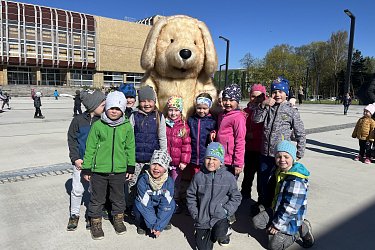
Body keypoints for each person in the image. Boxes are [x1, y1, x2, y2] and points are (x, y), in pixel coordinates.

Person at [81, 91, 135, 240]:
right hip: (99, 170)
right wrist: (87, 167)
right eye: (111, 108)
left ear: (123, 110)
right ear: (106, 108)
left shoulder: (126, 126)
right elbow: (90, 147)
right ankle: (95, 222)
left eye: (118, 109)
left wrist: (130, 166)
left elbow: (130, 147)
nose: (114, 111)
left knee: (118, 197)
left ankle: (118, 219)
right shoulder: (98, 126)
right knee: (97, 198)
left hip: (119, 170)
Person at [253, 76, 306, 208]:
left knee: (279, 182)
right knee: (262, 181)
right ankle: (262, 203)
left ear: (286, 94)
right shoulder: (268, 108)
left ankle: (275, 206)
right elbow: (256, 120)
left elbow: (300, 132)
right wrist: (262, 105)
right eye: (274, 92)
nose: (277, 95)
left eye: (280, 92)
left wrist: (300, 152)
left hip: (281, 155)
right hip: (265, 153)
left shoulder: (291, 111)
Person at [252, 140, 314, 250]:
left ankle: (300, 230)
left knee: (274, 246)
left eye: (286, 156)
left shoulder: (296, 180)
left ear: (293, 158)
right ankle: (278, 230)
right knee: (257, 222)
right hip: (277, 209)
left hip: (291, 217)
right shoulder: (279, 171)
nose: (282, 160)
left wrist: (277, 225)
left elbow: (290, 208)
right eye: (278, 156)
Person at [186, 142, 242, 249]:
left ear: (221, 162)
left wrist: (226, 211)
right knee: (203, 248)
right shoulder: (198, 177)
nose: (211, 162)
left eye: (215, 159)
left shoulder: (228, 177)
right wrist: (195, 214)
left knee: (219, 233)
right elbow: (191, 196)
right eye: (208, 158)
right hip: (202, 218)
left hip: (220, 216)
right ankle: (203, 232)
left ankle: (226, 230)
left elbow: (236, 197)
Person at [66, 90, 106, 231]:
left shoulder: (103, 121)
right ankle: (74, 214)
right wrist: (75, 158)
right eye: (103, 105)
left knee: (94, 191)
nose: (105, 107)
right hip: (80, 162)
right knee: (77, 189)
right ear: (93, 106)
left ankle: (92, 214)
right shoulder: (78, 120)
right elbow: (72, 140)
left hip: (97, 164)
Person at [127, 85, 167, 216]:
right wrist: (129, 159)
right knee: (133, 184)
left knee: (152, 184)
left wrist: (163, 158)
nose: (146, 104)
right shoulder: (134, 116)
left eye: (149, 101)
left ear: (154, 101)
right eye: (143, 101)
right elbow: (129, 138)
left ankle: (150, 209)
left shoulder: (159, 116)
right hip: (136, 159)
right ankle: (131, 207)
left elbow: (162, 138)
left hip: (152, 160)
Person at [134, 149, 175, 236]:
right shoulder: (143, 180)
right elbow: (145, 204)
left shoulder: (169, 182)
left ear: (165, 168)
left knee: (172, 204)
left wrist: (159, 226)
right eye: (154, 164)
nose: (156, 168)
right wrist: (153, 225)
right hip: (147, 205)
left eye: (160, 165)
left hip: (159, 206)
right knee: (138, 204)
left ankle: (162, 221)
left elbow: (166, 204)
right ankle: (142, 224)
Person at [165, 95, 191, 214]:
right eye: (171, 110)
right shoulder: (164, 124)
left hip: (177, 163)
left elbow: (186, 146)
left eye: (176, 110)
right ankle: (165, 201)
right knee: (164, 182)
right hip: (165, 162)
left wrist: (184, 161)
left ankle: (175, 201)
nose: (173, 113)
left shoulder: (184, 126)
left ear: (180, 111)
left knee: (175, 183)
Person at [214, 84, 246, 177]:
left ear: (238, 101)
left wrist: (238, 163)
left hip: (231, 161)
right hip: (220, 157)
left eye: (231, 100)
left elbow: (240, 140)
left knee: (228, 186)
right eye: (225, 99)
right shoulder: (222, 115)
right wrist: (214, 132)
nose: (227, 103)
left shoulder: (238, 117)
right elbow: (220, 130)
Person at [241, 84, 266, 200]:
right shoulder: (245, 111)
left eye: (259, 97)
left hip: (261, 149)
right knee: (248, 174)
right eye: (253, 96)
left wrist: (254, 135)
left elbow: (267, 129)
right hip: (248, 148)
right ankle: (245, 195)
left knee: (262, 177)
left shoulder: (266, 111)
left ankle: (261, 198)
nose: (255, 99)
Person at [188, 93, 216, 175]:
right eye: (199, 108)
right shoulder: (191, 120)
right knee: (194, 176)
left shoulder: (212, 121)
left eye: (205, 108)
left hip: (205, 156)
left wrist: (214, 133)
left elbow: (215, 134)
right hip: (193, 155)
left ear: (209, 107)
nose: (201, 111)